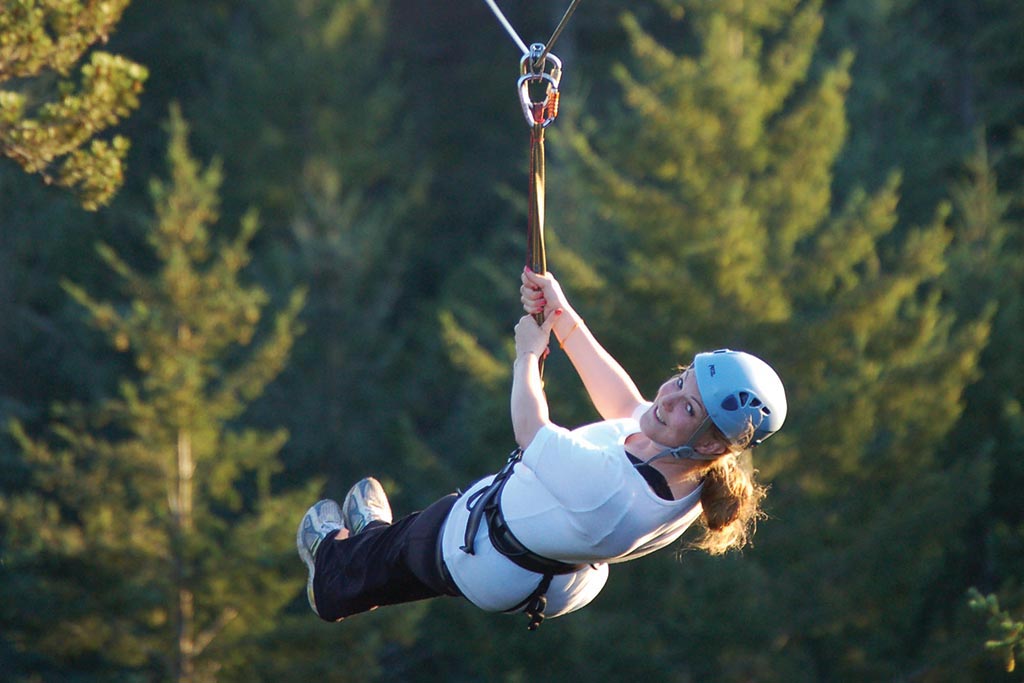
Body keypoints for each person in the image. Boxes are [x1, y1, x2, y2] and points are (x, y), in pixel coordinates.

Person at [297, 267, 787, 628]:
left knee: (421, 543)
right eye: (681, 380)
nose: (669, 398)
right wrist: (561, 314)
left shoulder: (616, 491)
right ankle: (368, 549)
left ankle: (335, 569)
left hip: (489, 553)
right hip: (542, 568)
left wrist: (528, 353)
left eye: (688, 409)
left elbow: (531, 430)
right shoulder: (689, 466)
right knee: (412, 558)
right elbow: (622, 401)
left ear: (711, 442)